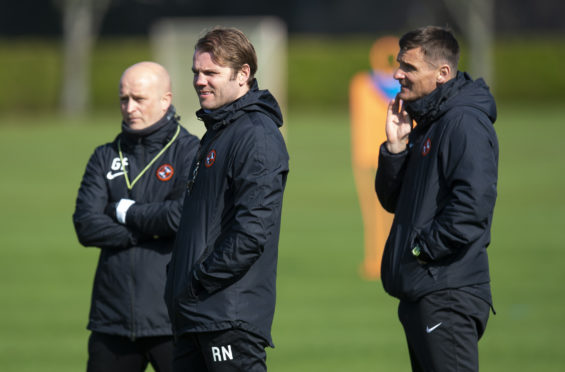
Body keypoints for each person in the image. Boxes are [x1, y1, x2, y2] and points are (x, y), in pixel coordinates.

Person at [164, 27, 289, 372]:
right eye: (196, 73)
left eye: (211, 73)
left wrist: (200, 279)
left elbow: (251, 232)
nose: (200, 81)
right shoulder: (220, 131)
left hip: (227, 317)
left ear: (243, 74)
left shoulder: (256, 136)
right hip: (197, 314)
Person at [375, 26, 499, 371]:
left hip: (446, 293)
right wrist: (396, 150)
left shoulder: (463, 123)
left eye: (409, 67)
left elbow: (472, 206)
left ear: (442, 73)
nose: (398, 73)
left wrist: (420, 250)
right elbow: (394, 202)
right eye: (400, 64)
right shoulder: (429, 122)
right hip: (424, 292)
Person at [73, 61, 199, 372]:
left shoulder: (189, 151)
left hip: (172, 319)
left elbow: (182, 217)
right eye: (123, 98)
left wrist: (121, 212)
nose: (129, 107)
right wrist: (147, 230)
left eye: (139, 99)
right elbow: (86, 225)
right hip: (111, 320)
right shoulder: (104, 155)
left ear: (165, 99)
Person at [349, 36, 399, 280]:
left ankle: (383, 258)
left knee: (385, 212)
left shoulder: (362, 84)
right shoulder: (402, 85)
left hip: (375, 155)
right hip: (388, 154)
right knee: (380, 213)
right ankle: (378, 258)